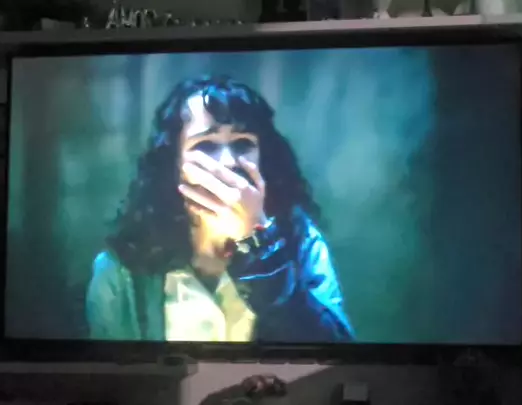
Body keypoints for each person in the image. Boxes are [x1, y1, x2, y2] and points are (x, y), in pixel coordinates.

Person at [86, 76, 354, 343]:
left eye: (242, 144)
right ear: (173, 164)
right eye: (206, 145)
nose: (228, 162)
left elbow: (335, 352)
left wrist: (260, 245)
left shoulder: (301, 242)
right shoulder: (121, 270)